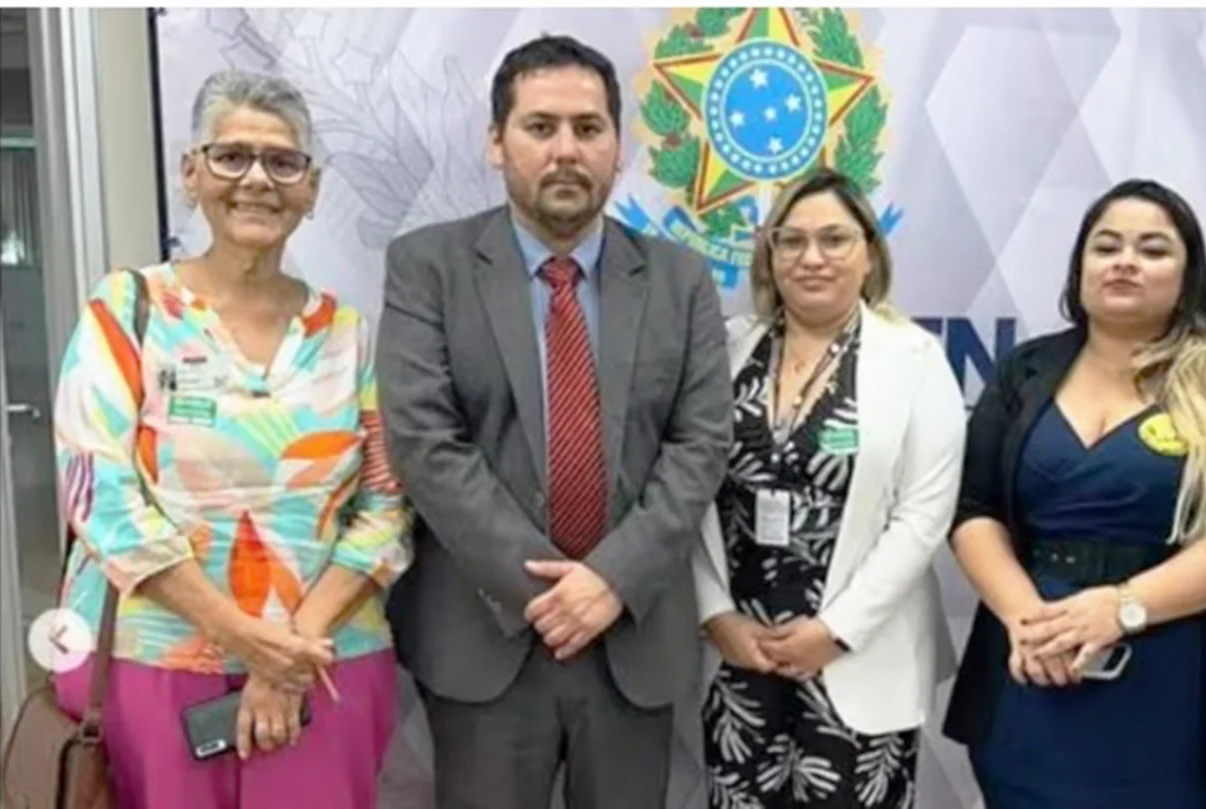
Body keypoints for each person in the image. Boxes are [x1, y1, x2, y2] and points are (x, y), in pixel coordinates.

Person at [376, 34, 735, 809]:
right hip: (484, 638)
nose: (566, 149)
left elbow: (701, 442)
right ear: (495, 142)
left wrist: (611, 579)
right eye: (540, 127)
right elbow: (425, 443)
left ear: (617, 146)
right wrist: (549, 590)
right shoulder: (427, 267)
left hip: (629, 634)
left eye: (588, 127)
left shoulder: (679, 279)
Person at [49, 69, 411, 808]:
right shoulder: (128, 310)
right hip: (157, 663)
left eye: (283, 162)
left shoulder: (349, 334)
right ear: (192, 173)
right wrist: (241, 635)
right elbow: (100, 498)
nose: (257, 180)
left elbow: (387, 508)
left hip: (325, 662)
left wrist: (286, 653)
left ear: (311, 190)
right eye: (232, 156)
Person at [940, 179, 1206, 808]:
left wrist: (1123, 608)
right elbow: (974, 510)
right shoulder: (1025, 370)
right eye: (1106, 247)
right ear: (1080, 267)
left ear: (1188, 275)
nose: (1125, 261)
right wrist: (1028, 621)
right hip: (1032, 665)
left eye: (1152, 250)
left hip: (1169, 678)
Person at [691, 169, 966, 808]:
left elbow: (923, 517)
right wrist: (714, 614)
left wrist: (835, 630)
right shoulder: (725, 350)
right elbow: (687, 489)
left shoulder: (915, 359)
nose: (811, 257)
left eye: (834, 239)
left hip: (857, 657)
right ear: (770, 254)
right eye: (792, 241)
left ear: (869, 252)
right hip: (741, 659)